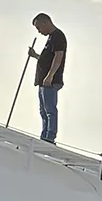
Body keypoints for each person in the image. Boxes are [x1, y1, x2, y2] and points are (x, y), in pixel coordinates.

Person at [29, 13, 66, 143]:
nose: (39, 31)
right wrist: (35, 56)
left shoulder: (58, 36)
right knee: (43, 110)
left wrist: (50, 75)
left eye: (39, 27)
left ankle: (50, 135)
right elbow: (47, 59)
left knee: (50, 109)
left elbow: (58, 57)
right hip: (43, 81)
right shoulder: (51, 38)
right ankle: (44, 134)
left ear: (45, 22)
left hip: (50, 81)